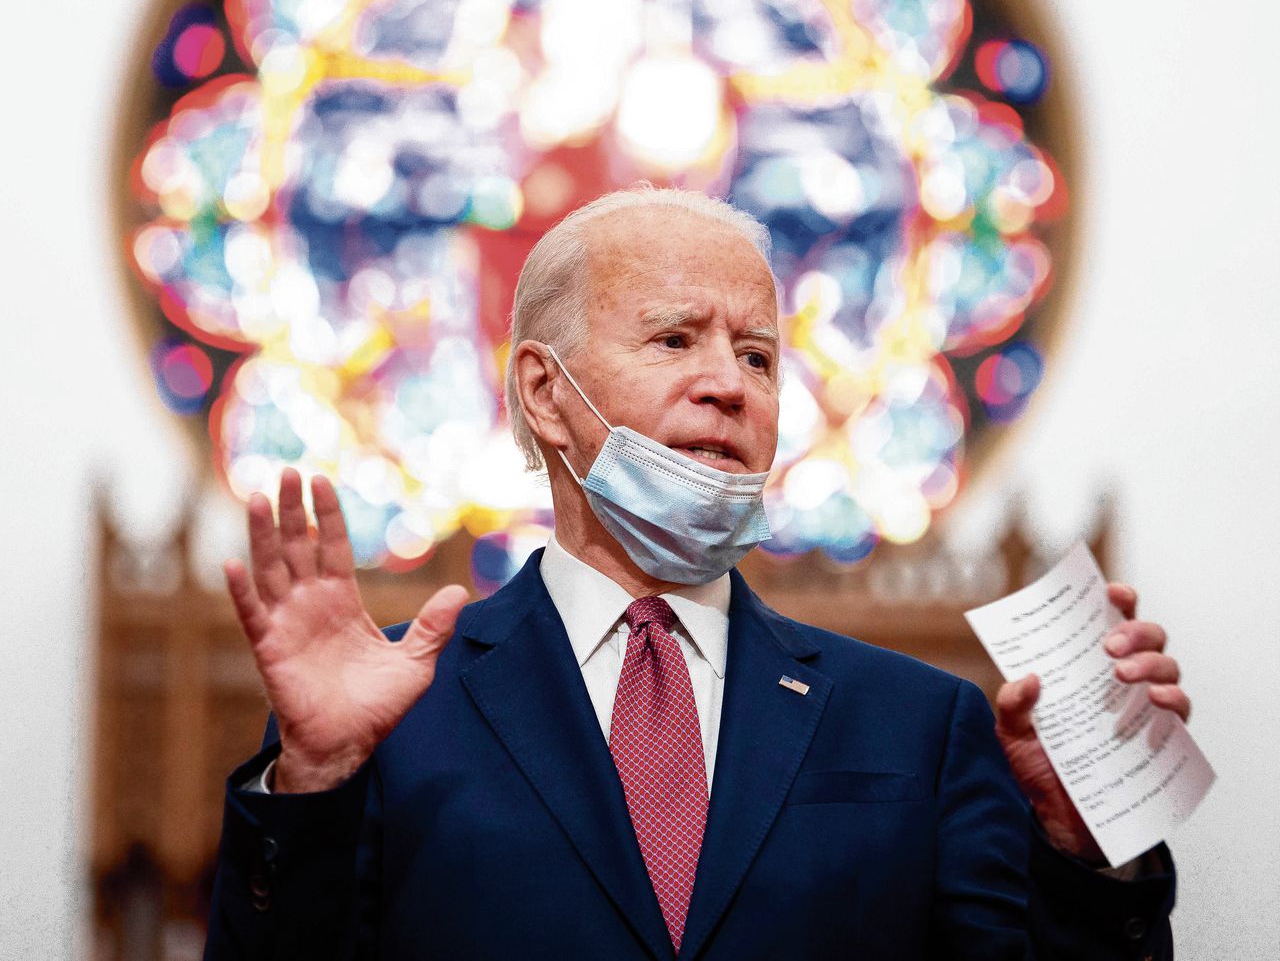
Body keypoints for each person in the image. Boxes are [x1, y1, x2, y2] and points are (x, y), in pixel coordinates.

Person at [205, 187, 1187, 960]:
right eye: (676, 337)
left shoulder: (915, 726)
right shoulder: (393, 712)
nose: (728, 382)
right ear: (546, 391)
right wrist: (315, 784)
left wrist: (1081, 845)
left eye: (757, 356)